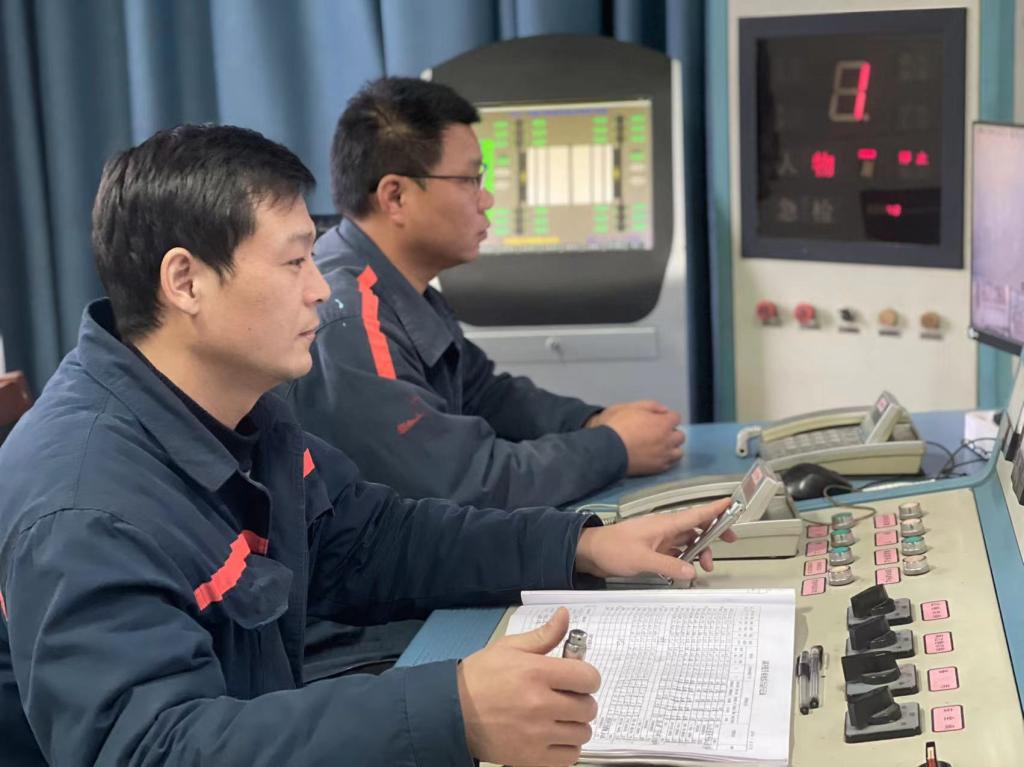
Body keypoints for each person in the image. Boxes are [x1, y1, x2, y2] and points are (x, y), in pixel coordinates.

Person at [0, 123, 732, 766]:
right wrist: (454, 712)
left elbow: (373, 538)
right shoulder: (85, 507)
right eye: (295, 262)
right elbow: (152, 749)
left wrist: (581, 546)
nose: (321, 290)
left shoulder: (244, 414)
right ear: (186, 281)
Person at [284, 77, 685, 511]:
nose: (487, 198)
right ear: (395, 196)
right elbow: (458, 482)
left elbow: (487, 396)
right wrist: (614, 448)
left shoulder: (399, 289)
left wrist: (592, 421)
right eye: (469, 180)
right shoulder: (350, 315)